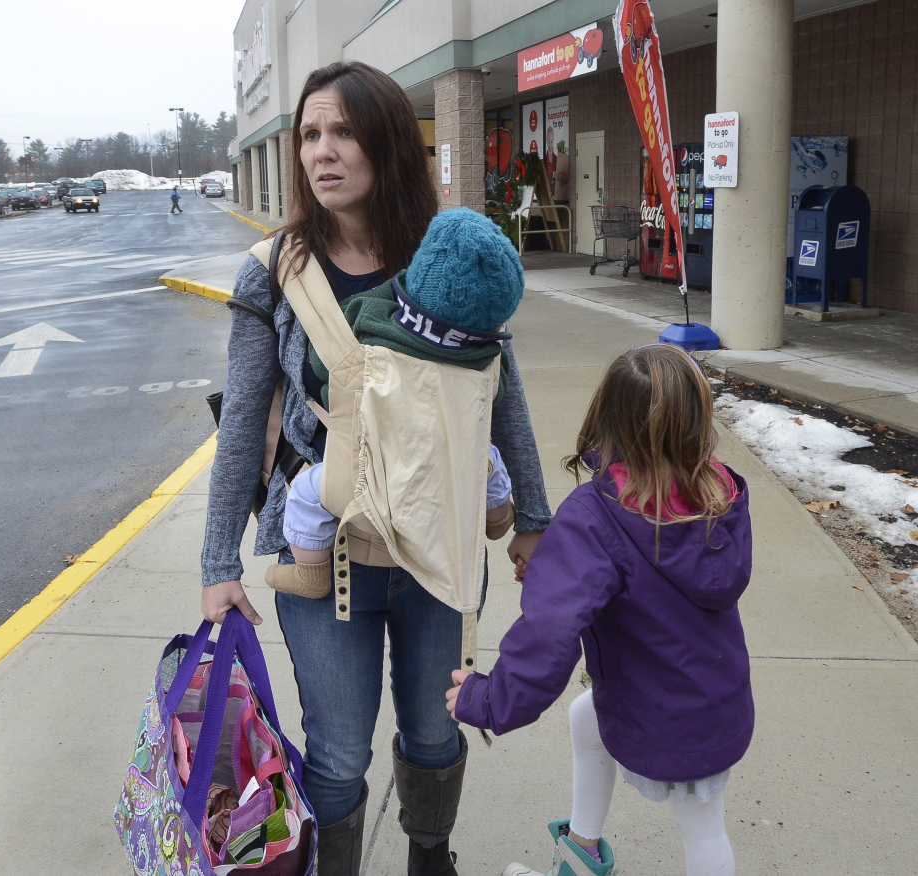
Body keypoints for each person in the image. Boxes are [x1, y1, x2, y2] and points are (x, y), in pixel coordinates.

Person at [200, 60, 552, 876]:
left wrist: (532, 516)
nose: (322, 153)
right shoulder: (272, 272)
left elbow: (504, 400)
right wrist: (219, 561)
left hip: (440, 542)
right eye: (310, 135)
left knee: (435, 730)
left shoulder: (445, 258)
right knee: (338, 752)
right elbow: (243, 422)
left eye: (344, 133)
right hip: (322, 560)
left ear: (387, 143)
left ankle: (431, 858)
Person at [446, 344, 753, 876]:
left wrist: (491, 698)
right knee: (586, 718)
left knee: (703, 830)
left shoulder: (595, 517)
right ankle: (579, 856)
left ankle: (580, 857)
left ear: (608, 417)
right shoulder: (717, 492)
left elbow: (550, 630)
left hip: (664, 716)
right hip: (712, 701)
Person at [268, 207, 520, 597]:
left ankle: (311, 573)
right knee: (487, 460)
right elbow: (500, 395)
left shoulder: (373, 320)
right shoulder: (487, 358)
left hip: (371, 474)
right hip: (451, 466)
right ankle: (498, 514)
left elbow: (323, 375)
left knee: (305, 493)